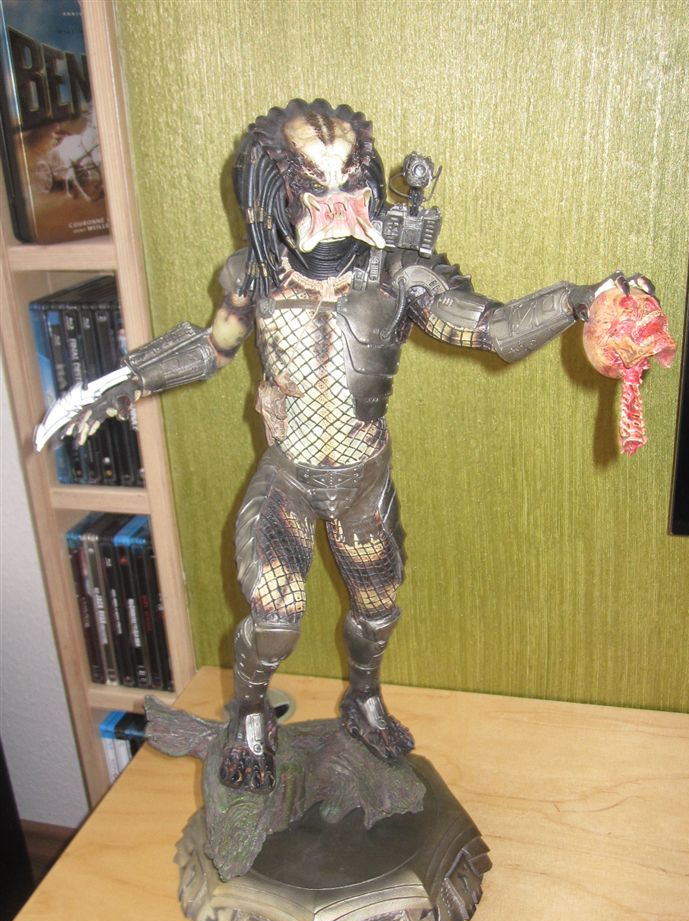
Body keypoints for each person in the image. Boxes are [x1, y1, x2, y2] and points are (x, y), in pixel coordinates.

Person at [37, 98, 647, 791]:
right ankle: (250, 713)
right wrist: (120, 381)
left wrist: (581, 299)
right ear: (275, 187)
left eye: (348, 176)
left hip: (363, 482)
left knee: (378, 610)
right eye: (313, 178)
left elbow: (492, 329)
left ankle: (363, 699)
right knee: (274, 620)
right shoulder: (255, 275)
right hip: (289, 479)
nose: (335, 195)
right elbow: (212, 348)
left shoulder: (400, 275)